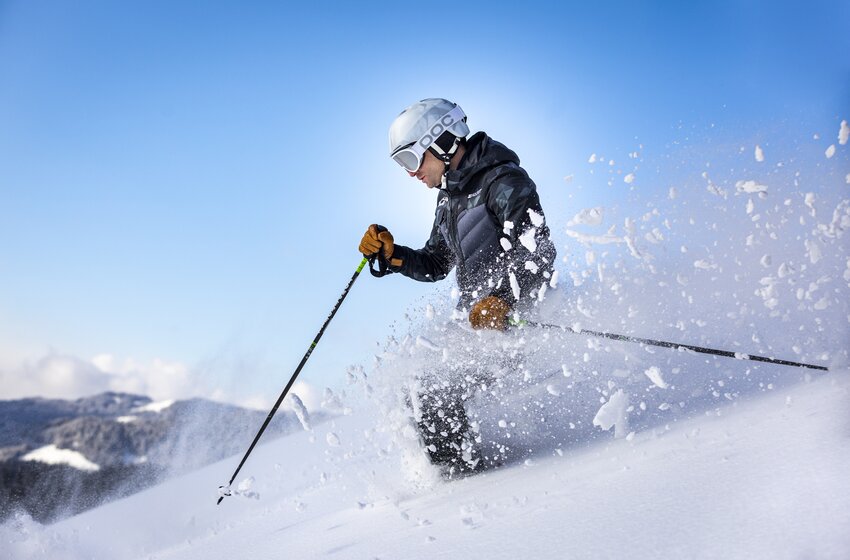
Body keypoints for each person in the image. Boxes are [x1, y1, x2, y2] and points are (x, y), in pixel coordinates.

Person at [359, 98, 557, 475]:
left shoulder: (503, 181)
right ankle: (462, 475)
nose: (411, 173)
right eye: (402, 163)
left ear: (442, 140)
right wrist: (392, 255)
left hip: (519, 323)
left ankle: (464, 486)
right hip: (480, 326)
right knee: (418, 387)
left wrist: (502, 301)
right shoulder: (449, 198)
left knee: (432, 391)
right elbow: (437, 262)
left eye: (411, 159)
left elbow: (538, 251)